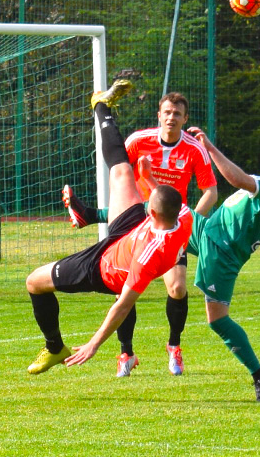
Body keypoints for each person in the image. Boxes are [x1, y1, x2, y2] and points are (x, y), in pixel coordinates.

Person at [26, 79, 193, 376]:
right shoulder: (184, 216)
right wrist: (148, 178)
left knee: (34, 282)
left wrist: (93, 344)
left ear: (152, 212)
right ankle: (101, 106)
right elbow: (168, 200)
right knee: (122, 171)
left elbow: (122, 306)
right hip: (131, 231)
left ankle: (54, 347)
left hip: (104, 267)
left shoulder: (148, 257)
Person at [62, 91, 218, 377]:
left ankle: (174, 346)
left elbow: (211, 192)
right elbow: (119, 170)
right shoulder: (138, 141)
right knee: (125, 289)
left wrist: (186, 220)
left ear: (185, 118)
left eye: (177, 114)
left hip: (168, 226)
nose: (171, 118)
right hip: (137, 223)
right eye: (167, 112)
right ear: (159, 115)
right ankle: (126, 353)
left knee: (177, 288)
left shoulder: (195, 149)